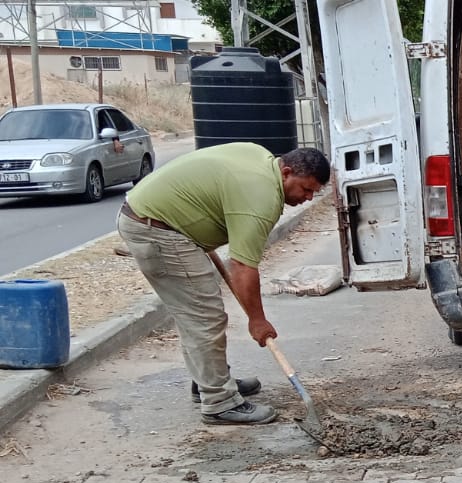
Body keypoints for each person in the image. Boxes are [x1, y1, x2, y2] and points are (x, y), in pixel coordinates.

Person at [117, 142, 330, 426]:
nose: (309, 197)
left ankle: (209, 380)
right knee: (204, 316)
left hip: (159, 218)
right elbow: (242, 266)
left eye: (315, 192)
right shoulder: (261, 197)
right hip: (157, 229)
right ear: (287, 172)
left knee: (196, 312)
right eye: (306, 189)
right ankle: (219, 402)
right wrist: (257, 320)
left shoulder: (261, 159)